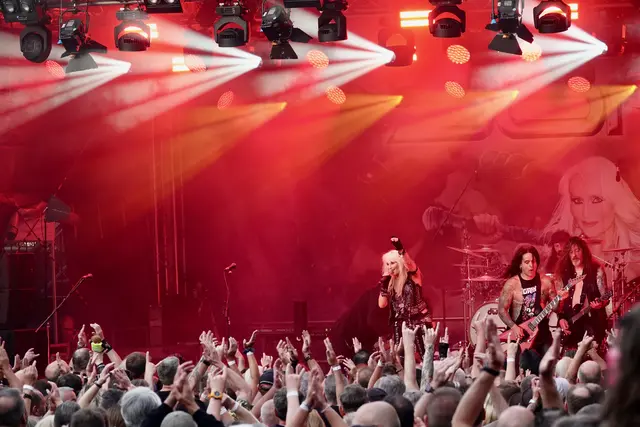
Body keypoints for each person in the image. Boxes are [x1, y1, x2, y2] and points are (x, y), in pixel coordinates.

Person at [497, 245, 560, 354]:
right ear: (520, 265)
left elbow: (556, 308)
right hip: (520, 336)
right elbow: (502, 310)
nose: (531, 265)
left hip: (542, 335)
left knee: (549, 362)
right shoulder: (512, 284)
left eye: (533, 261)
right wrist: (514, 327)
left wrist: (560, 297)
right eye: (527, 262)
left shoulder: (546, 282)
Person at [377, 237, 431, 348]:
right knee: (399, 354)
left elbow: (410, 264)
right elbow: (382, 304)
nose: (389, 267)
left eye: (392, 263)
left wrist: (401, 250)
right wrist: (383, 286)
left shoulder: (413, 276)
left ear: (400, 263)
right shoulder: (389, 282)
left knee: (422, 353)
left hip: (419, 321)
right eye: (387, 264)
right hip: (400, 323)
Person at [556, 237, 609, 348]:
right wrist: (561, 319)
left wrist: (600, 304)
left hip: (592, 324)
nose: (574, 255)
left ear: (584, 252)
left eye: (577, 250)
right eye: (571, 252)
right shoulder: (564, 274)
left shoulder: (596, 270)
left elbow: (606, 298)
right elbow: (559, 304)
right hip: (571, 326)